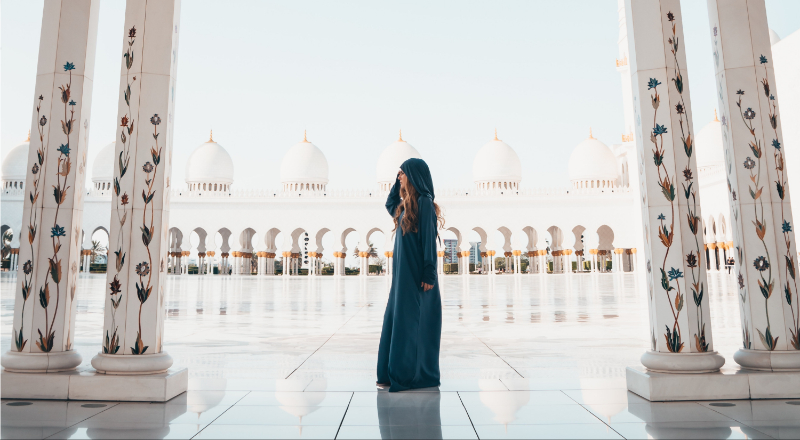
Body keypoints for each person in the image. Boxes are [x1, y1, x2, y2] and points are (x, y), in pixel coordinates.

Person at [377, 158, 444, 392]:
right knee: (397, 320)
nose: (400, 177)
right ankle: (388, 373)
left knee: (411, 322)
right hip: (401, 276)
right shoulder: (405, 206)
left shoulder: (425, 203)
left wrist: (429, 272)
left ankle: (408, 374)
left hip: (416, 275)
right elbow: (389, 203)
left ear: (414, 177)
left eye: (403, 174)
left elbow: (428, 240)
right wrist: (398, 185)